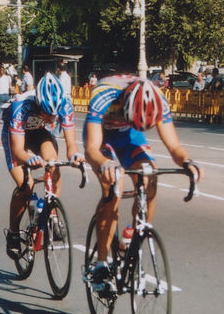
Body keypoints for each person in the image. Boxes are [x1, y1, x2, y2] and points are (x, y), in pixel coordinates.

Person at [83, 75, 202, 292]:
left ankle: (133, 233)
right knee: (113, 188)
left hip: (130, 135)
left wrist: (187, 161)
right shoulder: (104, 96)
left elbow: (174, 147)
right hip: (103, 135)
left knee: (149, 176)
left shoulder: (159, 101)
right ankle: (101, 264)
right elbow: (91, 148)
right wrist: (104, 164)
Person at [2, 72, 84, 259]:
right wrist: (29, 158)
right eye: (47, 113)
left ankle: (53, 215)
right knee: (26, 185)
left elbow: (71, 145)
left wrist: (75, 156)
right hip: (15, 137)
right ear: (38, 104)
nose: (52, 118)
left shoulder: (65, 105)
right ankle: (14, 234)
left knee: (53, 163)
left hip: (38, 133)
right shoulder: (20, 107)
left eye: (54, 114)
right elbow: (18, 151)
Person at [0, 66, 12, 131]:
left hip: (0, 95)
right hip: (7, 95)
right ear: (5, 71)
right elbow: (10, 86)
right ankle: (9, 125)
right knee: (8, 111)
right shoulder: (8, 77)